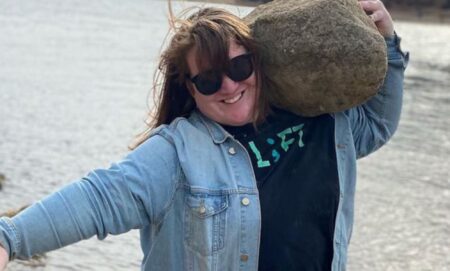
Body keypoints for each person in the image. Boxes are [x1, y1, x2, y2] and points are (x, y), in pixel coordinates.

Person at [0, 0, 408, 270]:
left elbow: (377, 124)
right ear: (191, 89)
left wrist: (387, 43)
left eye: (239, 67)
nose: (229, 87)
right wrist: (9, 239)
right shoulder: (178, 152)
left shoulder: (326, 123)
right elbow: (100, 198)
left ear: (259, 63)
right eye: (209, 80)